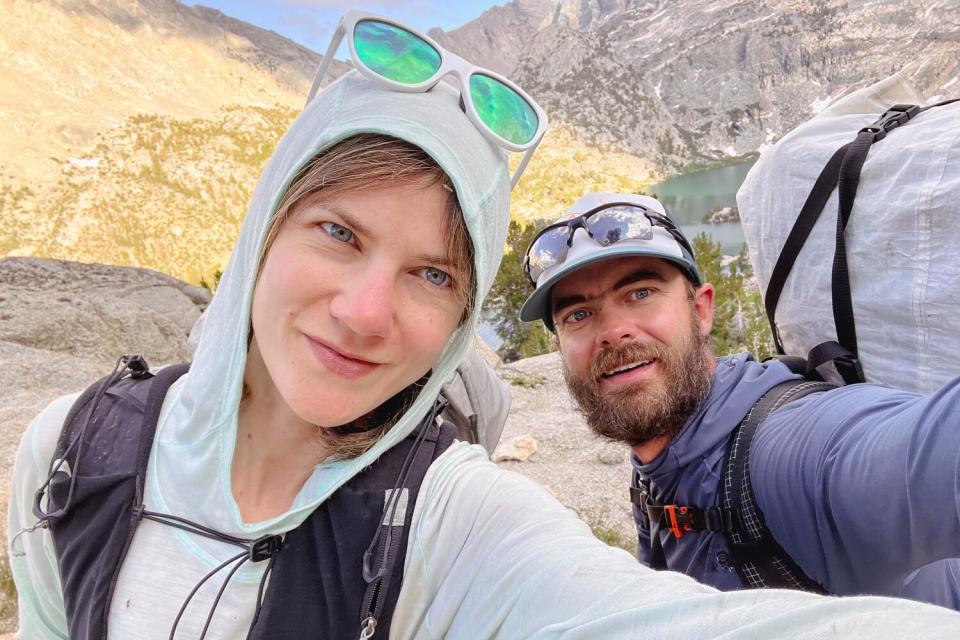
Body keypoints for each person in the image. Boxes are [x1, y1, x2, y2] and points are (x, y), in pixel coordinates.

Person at [7, 12, 960, 637]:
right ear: (264, 228)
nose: (368, 310)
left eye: (430, 272)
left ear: (705, 304)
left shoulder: (454, 513)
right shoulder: (73, 454)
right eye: (338, 232)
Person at [519, 191, 960, 611]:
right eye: (578, 314)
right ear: (560, 345)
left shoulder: (792, 450)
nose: (613, 331)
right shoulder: (658, 458)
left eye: (640, 293)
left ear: (701, 310)